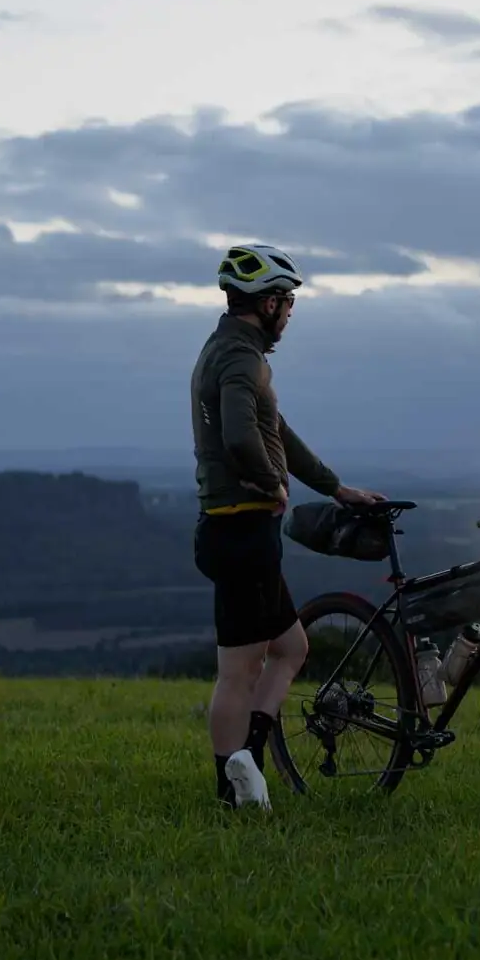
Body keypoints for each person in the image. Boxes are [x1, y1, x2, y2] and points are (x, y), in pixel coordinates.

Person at [190, 242, 386, 811]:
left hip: (239, 532)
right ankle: (230, 792)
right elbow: (239, 435)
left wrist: (333, 487)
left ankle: (246, 760)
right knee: (237, 672)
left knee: (291, 646)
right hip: (241, 531)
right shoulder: (239, 358)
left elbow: (274, 426)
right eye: (288, 301)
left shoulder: (230, 348)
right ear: (268, 301)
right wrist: (272, 481)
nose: (291, 312)